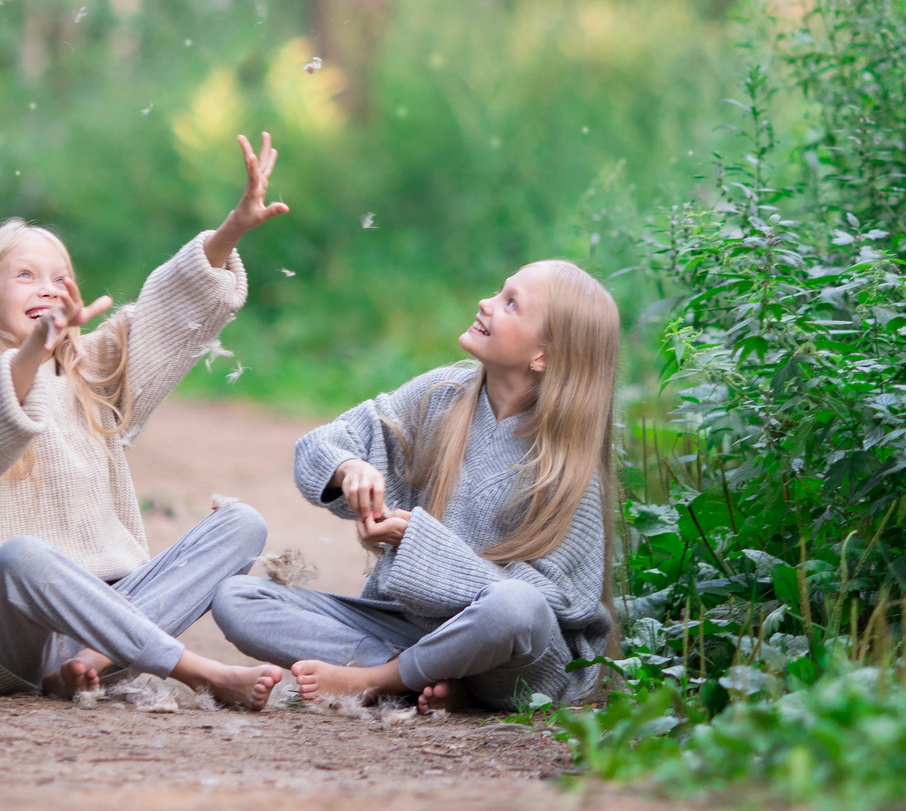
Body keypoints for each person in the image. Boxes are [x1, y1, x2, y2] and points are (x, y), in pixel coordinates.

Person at [0, 133, 291, 709]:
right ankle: (196, 671)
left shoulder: (91, 375)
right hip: (9, 642)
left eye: (59, 277)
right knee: (20, 555)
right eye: (25, 276)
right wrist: (32, 352)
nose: (47, 287)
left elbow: (170, 312)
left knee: (242, 524)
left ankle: (90, 663)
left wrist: (233, 228)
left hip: (107, 625)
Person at [213, 261, 618, 711]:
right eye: (498, 291)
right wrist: (349, 469)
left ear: (542, 355)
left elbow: (552, 607)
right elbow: (320, 444)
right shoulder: (442, 394)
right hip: (408, 629)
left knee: (515, 607)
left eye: (510, 304)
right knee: (237, 598)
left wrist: (417, 543)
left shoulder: (571, 466)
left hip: (512, 660)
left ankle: (380, 678)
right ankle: (433, 679)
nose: (485, 303)